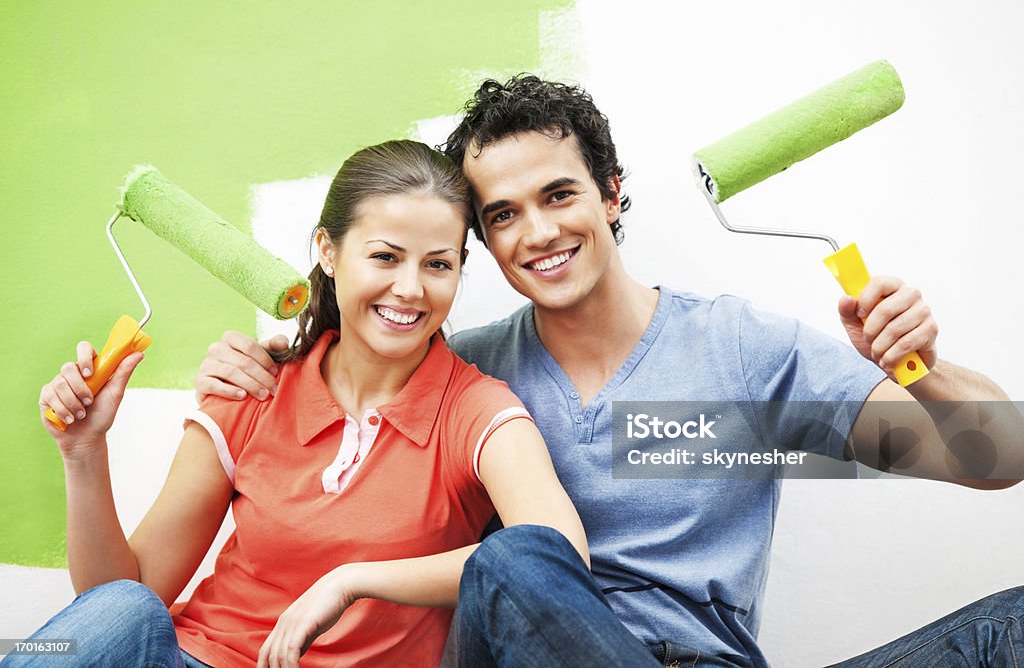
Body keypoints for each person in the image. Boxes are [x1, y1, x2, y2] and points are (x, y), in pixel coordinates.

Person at [196, 78, 1024, 667]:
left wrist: (924, 370)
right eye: (504, 215)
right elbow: (353, 368)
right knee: (517, 560)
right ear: (483, 241)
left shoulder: (743, 349)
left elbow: (996, 457)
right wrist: (280, 353)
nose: (539, 232)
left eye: (559, 195)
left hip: (707, 660)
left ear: (612, 194)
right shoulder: (465, 374)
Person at [16, 140, 587, 668]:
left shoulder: (476, 412)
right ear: (328, 251)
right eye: (385, 257)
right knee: (126, 610)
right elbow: (117, 597)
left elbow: (554, 557)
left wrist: (353, 580)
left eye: (438, 264)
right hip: (192, 657)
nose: (411, 289)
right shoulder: (253, 389)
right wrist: (83, 452)